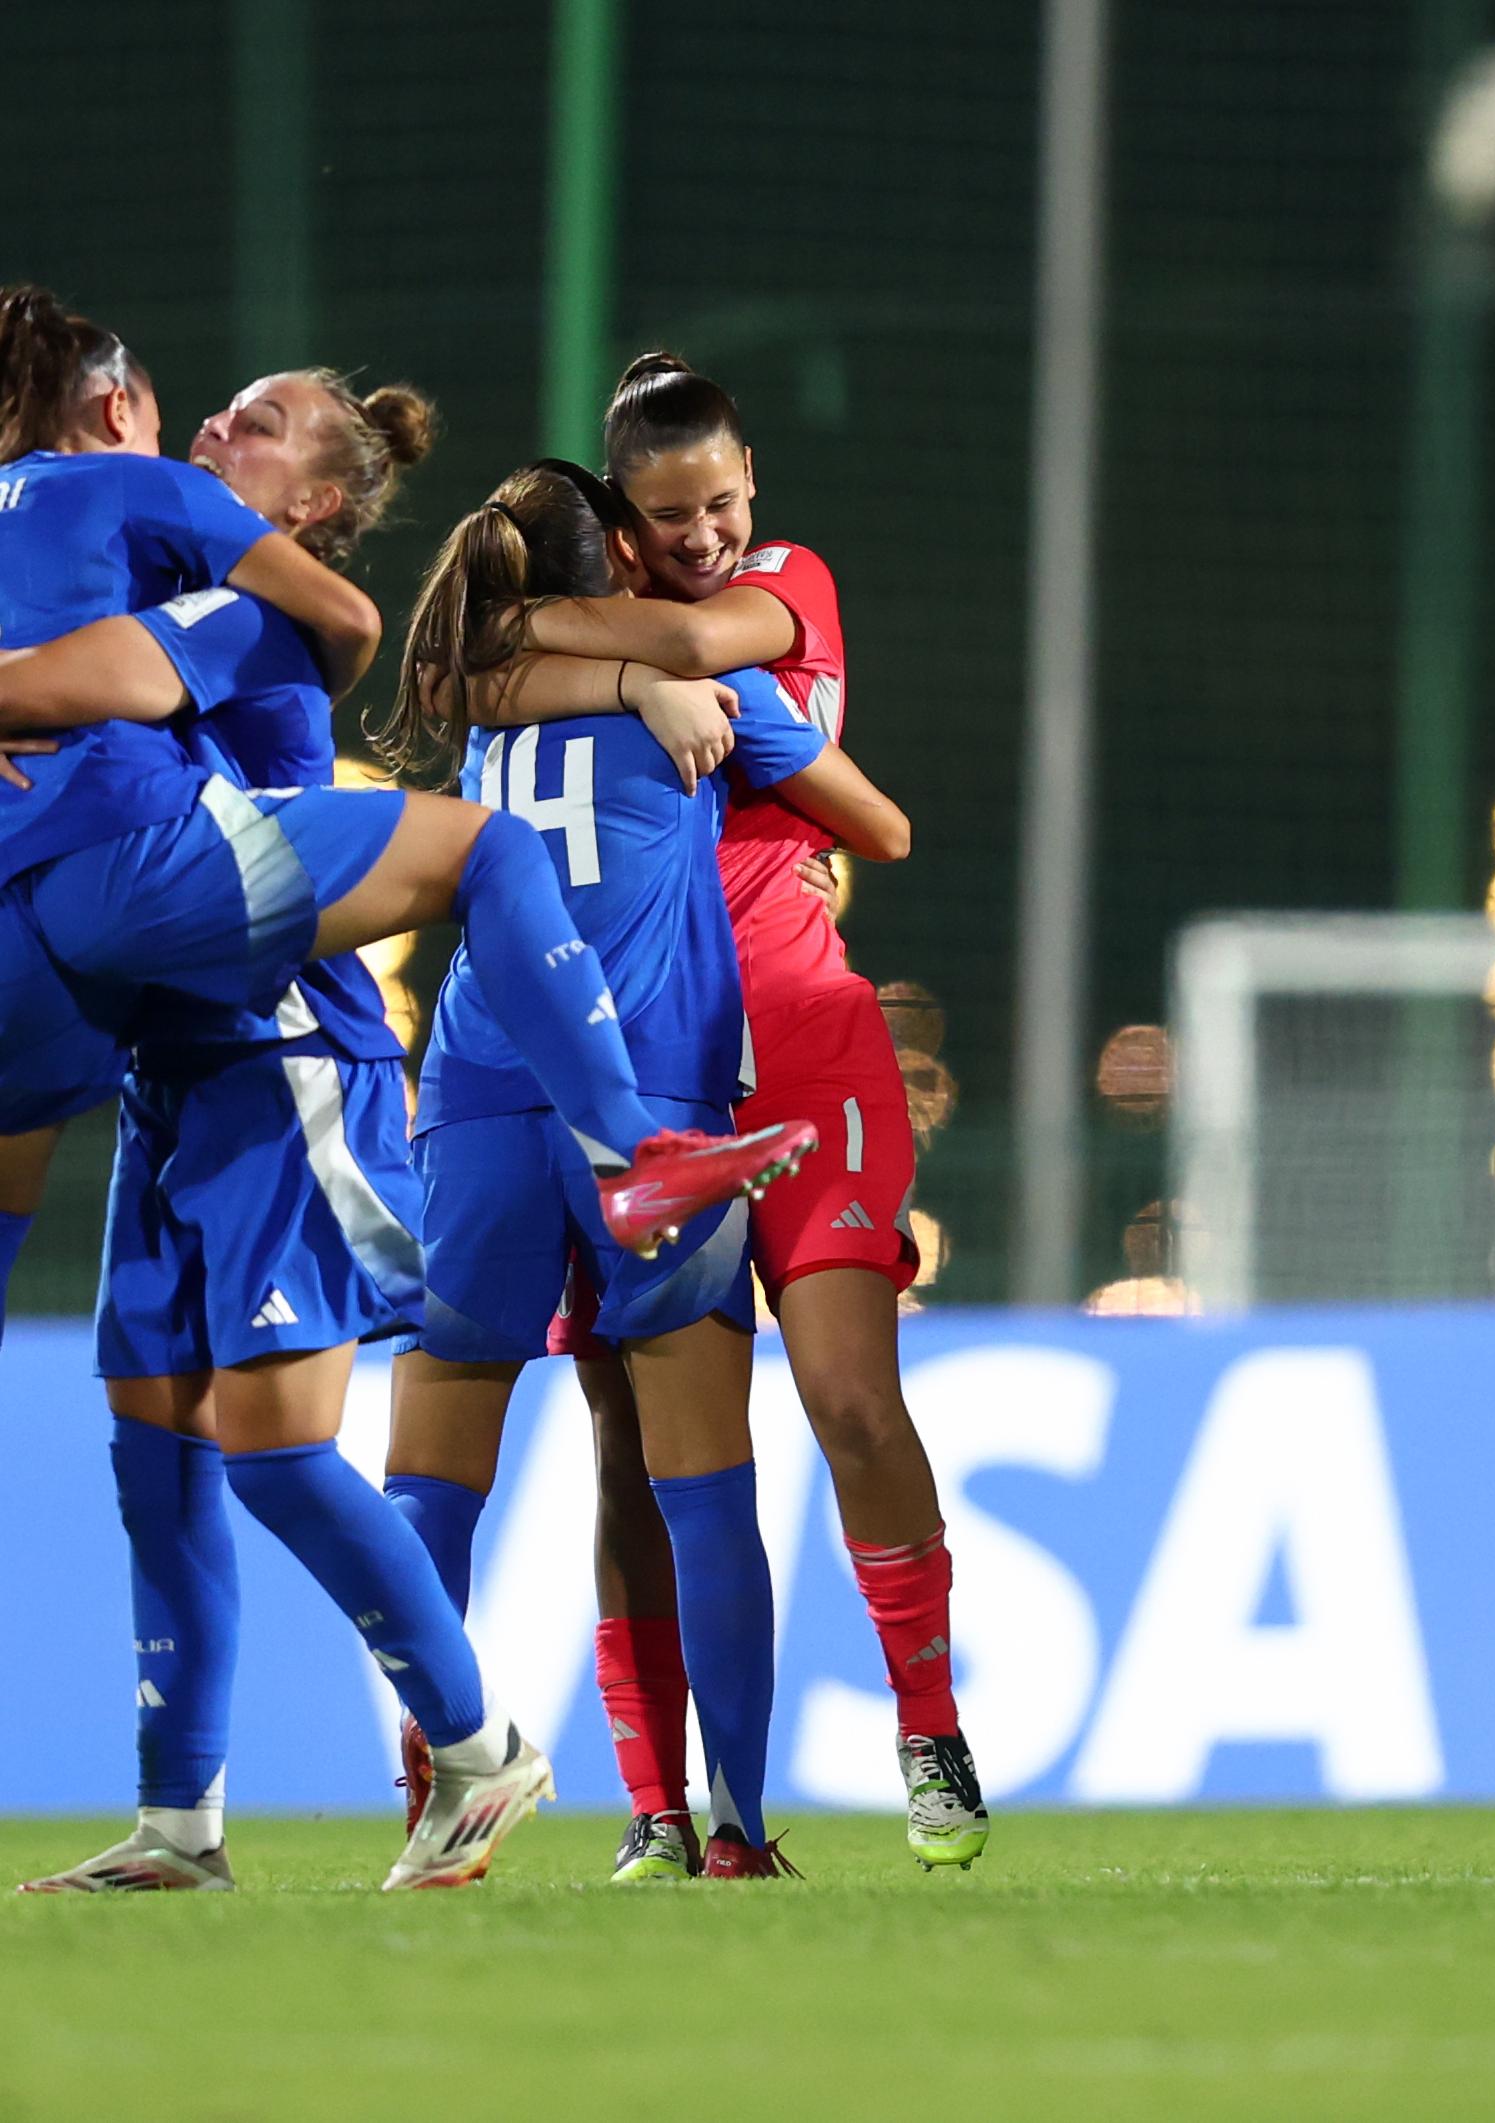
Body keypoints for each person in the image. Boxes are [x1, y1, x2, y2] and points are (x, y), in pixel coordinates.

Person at [0, 295, 803, 1888]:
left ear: (304, 506)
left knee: (281, 1452)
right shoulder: (161, 550)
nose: (216, 431)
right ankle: (180, 1827)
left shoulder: (248, 615)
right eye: (213, 413)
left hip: (281, 1055)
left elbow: (96, 679)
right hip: (180, 1057)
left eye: (256, 423)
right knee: (150, 1447)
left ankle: (480, 1747)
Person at [373, 459, 905, 1880]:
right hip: (651, 1102)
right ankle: (731, 1827)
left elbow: (453, 678)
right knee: (701, 1479)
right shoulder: (715, 701)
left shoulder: (483, 702)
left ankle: (441, 1795)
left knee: (432, 1479)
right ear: (618, 547)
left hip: (479, 1096)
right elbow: (884, 828)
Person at [555, 354, 986, 1873]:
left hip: (804, 1047)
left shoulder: (781, 584)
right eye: (670, 516)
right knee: (636, 1454)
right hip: (642, 1068)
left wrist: (566, 646)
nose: (706, 534)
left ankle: (927, 1725)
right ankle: (663, 1809)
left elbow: (689, 640)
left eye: (725, 501)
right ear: (625, 516)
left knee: (852, 1402)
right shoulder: (596, 652)